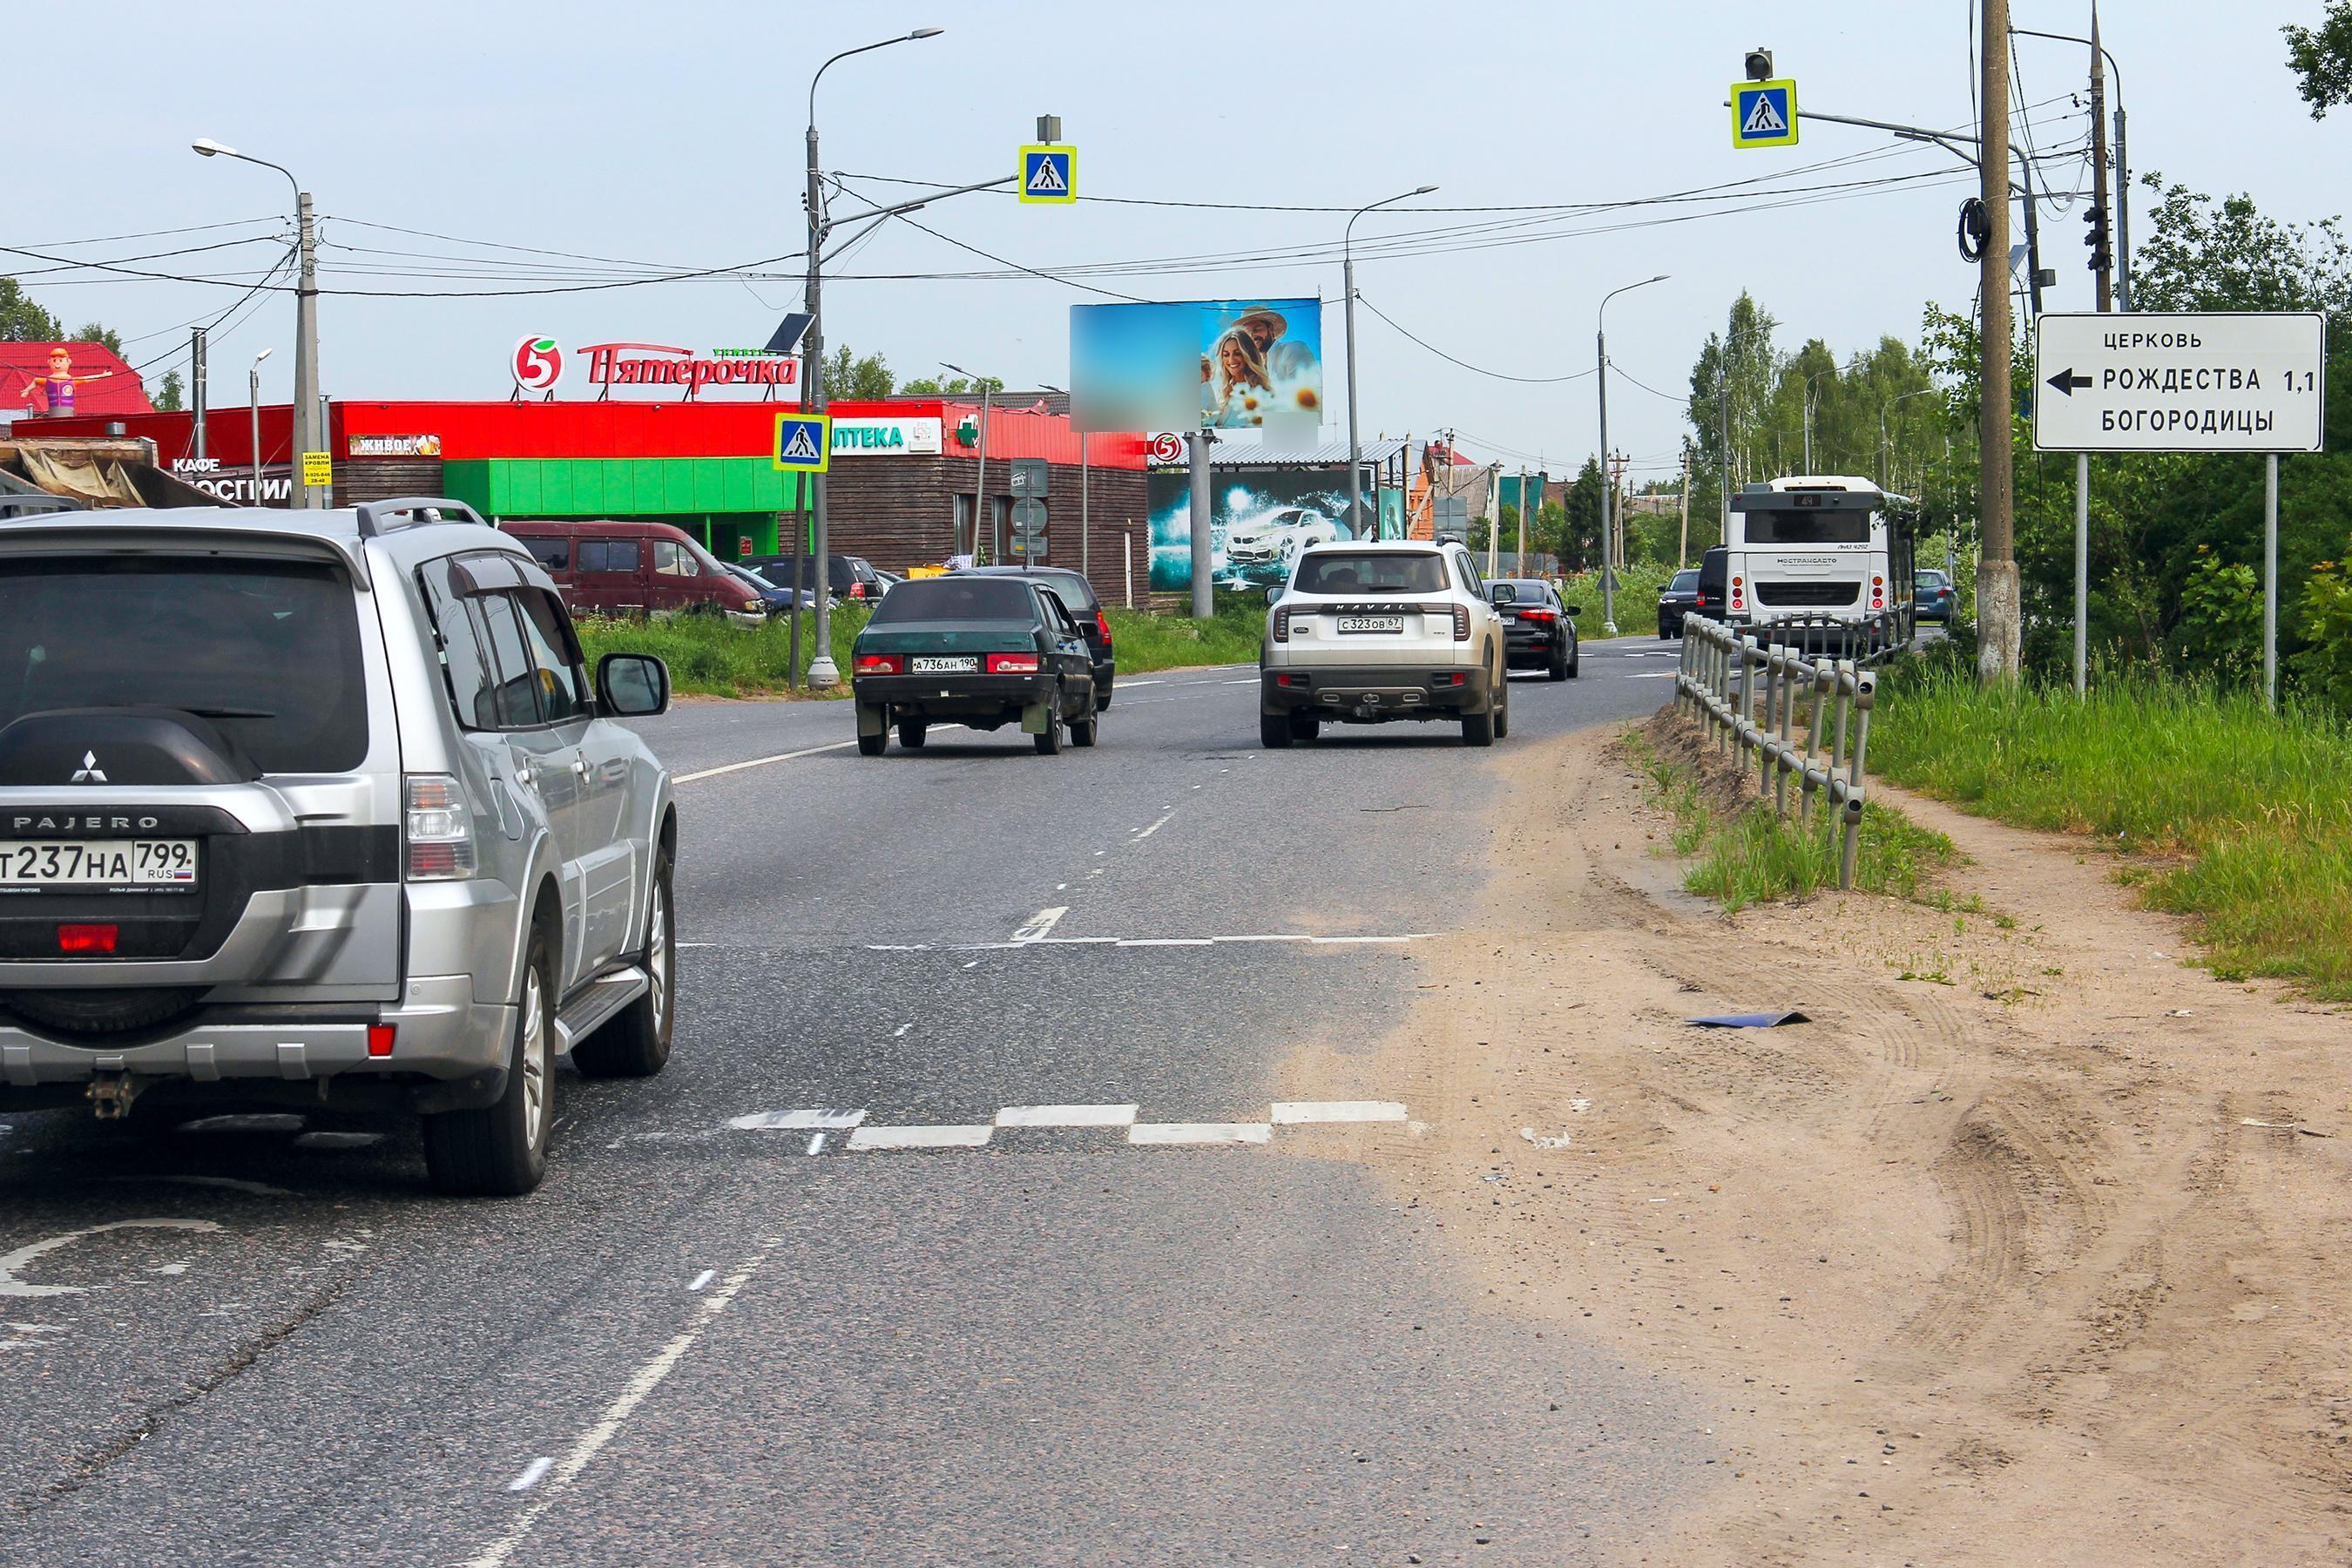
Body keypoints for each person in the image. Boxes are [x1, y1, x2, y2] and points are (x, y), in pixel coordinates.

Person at [1201, 327, 1274, 428]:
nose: (1231, 360)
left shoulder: (1263, 396)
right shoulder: (1221, 394)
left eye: (1237, 353)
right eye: (1226, 354)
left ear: (1249, 355)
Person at [19, 347, 115, 417]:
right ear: (49, 362)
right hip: (53, 411)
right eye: (54, 360)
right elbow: (35, 381)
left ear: (68, 362)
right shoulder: (47, 380)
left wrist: (103, 375)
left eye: (61, 360)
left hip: (67, 411)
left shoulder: (71, 381)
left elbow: (88, 378)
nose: (57, 363)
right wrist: (26, 391)